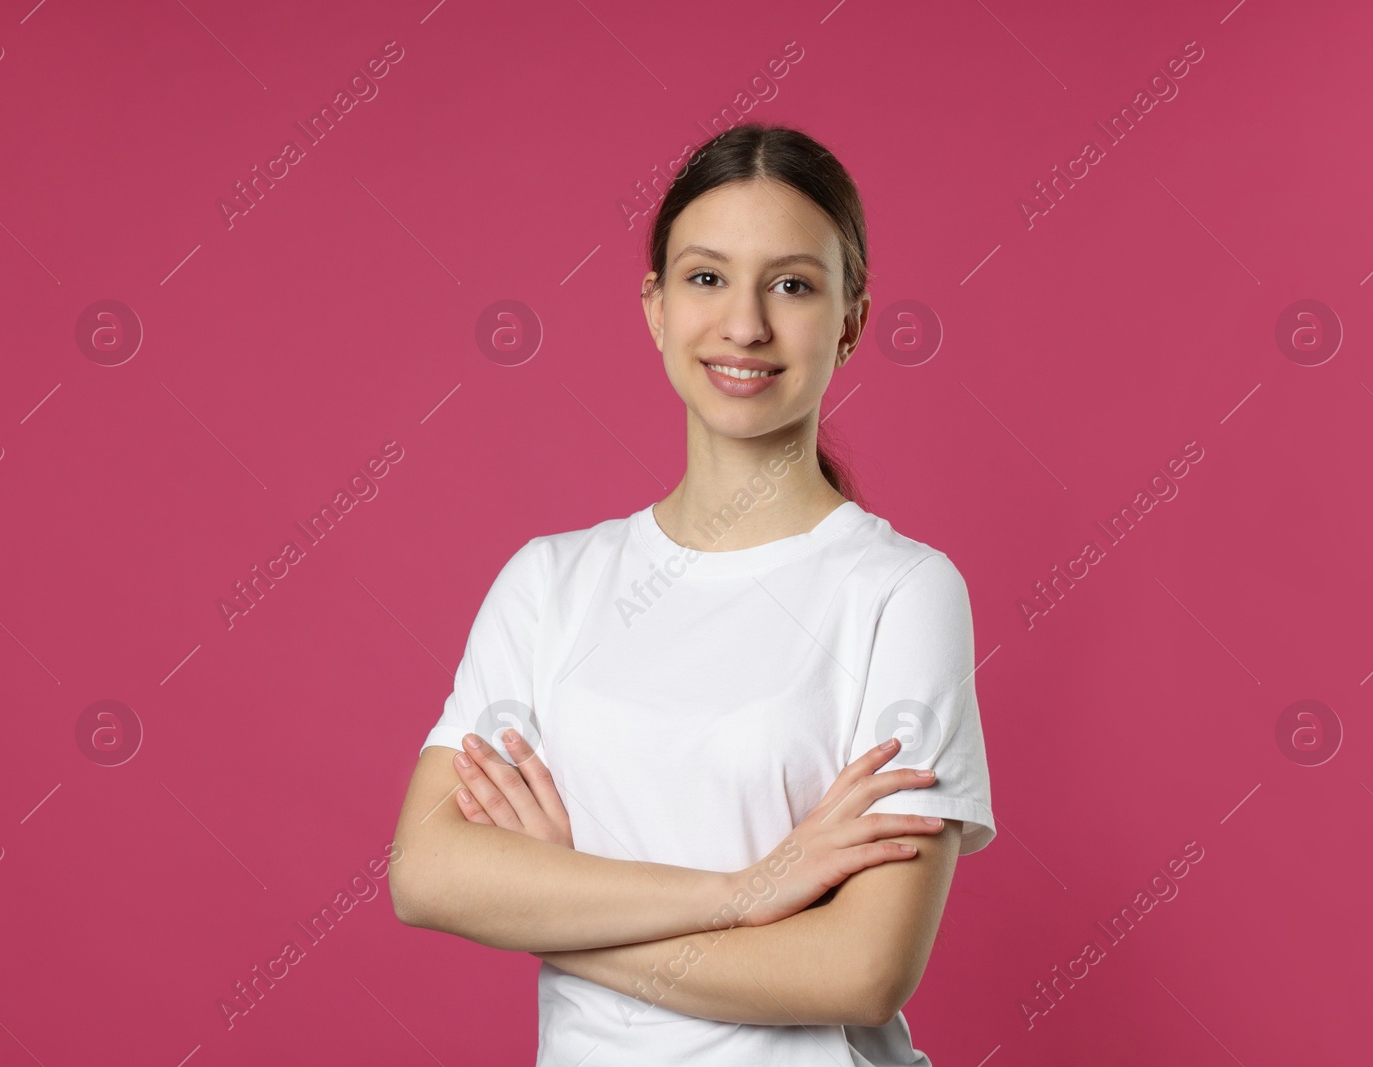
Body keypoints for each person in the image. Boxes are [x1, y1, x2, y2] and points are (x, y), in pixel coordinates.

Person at [390, 121, 996, 1066]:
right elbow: (426, 871)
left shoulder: (903, 593)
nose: (745, 324)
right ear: (656, 307)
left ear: (851, 318)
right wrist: (751, 890)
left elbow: (863, 968)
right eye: (706, 278)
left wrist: (555, 901)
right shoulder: (551, 583)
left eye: (792, 284)